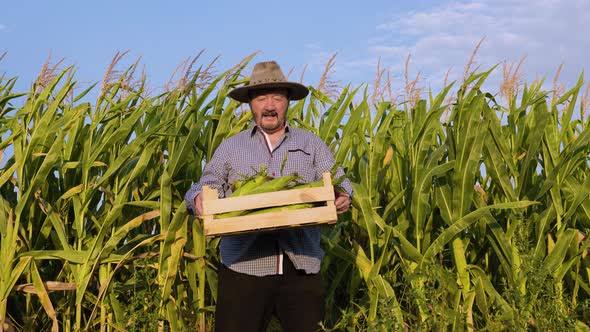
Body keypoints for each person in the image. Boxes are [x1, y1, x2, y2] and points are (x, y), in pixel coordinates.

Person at [185, 60, 353, 332]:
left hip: (301, 266)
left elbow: (341, 182)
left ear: (288, 101)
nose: (270, 105)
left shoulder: (311, 144)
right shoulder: (231, 147)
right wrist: (199, 200)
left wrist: (342, 195)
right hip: (244, 267)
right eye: (261, 98)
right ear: (250, 104)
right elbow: (206, 183)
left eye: (277, 97)